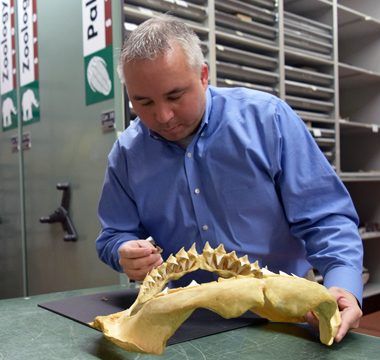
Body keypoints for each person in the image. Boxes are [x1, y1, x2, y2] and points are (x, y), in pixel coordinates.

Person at [95, 15, 363, 342]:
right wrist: (123, 250)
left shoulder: (269, 120)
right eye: (144, 102)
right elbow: (113, 234)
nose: (163, 116)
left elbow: (325, 217)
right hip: (186, 319)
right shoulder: (127, 153)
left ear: (204, 75)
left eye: (175, 96)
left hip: (283, 314)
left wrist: (344, 286)